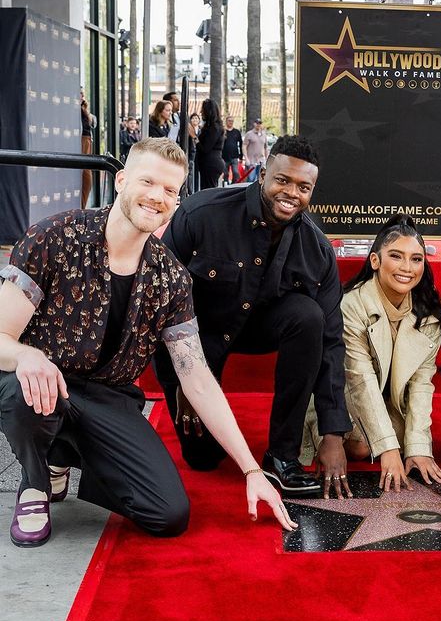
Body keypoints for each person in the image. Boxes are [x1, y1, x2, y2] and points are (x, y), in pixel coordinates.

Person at [0, 137, 295, 548]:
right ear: (121, 181)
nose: (158, 197)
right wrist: (28, 355)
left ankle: (63, 455)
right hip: (44, 381)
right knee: (23, 389)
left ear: (177, 201)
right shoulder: (53, 238)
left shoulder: (170, 278)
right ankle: (35, 482)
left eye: (170, 190)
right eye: (148, 182)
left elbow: (197, 378)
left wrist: (250, 470)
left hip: (109, 397)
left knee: (168, 514)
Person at [154, 135, 351, 499]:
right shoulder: (200, 214)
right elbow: (159, 299)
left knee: (309, 317)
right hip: (200, 337)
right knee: (202, 458)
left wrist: (333, 434)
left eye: (304, 187)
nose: (292, 193)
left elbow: (331, 343)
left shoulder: (317, 250)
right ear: (262, 174)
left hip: (263, 327)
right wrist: (183, 378)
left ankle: (282, 457)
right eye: (283, 180)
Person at [302, 215, 441, 491]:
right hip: (344, 394)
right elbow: (360, 379)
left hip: (390, 400)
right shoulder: (352, 305)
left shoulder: (428, 316)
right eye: (396, 256)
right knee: (359, 447)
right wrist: (388, 449)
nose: (407, 268)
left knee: (408, 442)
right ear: (375, 261)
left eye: (416, 259)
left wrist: (419, 447)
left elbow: (421, 384)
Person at [194, 98, 225, 189]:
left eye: (203, 110)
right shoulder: (212, 127)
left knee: (208, 191)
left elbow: (205, 148)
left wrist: (195, 138)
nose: (201, 112)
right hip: (210, 163)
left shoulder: (214, 128)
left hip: (210, 163)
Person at [80, 97, 95, 208]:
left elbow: (93, 122)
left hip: (86, 141)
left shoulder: (84, 111)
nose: (81, 96)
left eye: (82, 94)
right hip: (80, 140)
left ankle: (82, 206)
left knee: (86, 176)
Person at [243, 118, 269, 183]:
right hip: (252, 161)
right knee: (251, 179)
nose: (258, 125)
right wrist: (246, 158)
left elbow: (266, 147)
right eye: (257, 123)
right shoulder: (249, 134)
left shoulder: (264, 134)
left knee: (260, 180)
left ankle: (258, 193)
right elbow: (244, 146)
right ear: (254, 124)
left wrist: (266, 158)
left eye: (260, 123)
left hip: (261, 160)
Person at [222, 116, 244, 185]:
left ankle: (234, 184)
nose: (230, 122)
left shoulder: (236, 132)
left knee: (236, 172)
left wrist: (241, 156)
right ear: (226, 121)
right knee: (225, 173)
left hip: (234, 156)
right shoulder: (223, 132)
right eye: (229, 121)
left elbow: (240, 144)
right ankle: (225, 185)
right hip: (224, 156)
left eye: (232, 121)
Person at [187, 112, 200, 194]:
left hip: (199, 155)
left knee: (198, 174)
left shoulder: (201, 130)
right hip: (191, 155)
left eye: (196, 118)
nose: (195, 120)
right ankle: (191, 191)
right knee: (191, 174)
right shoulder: (188, 131)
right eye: (193, 118)